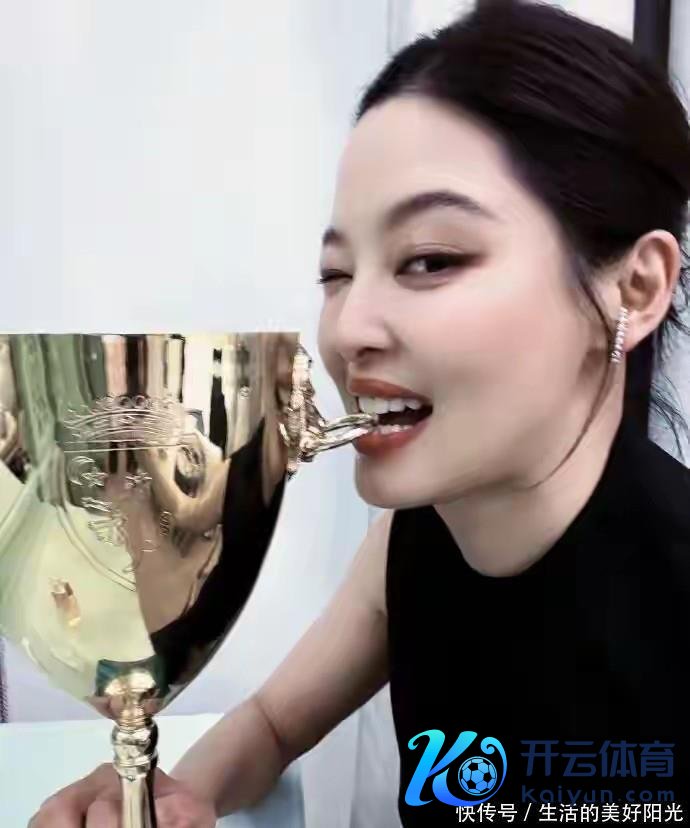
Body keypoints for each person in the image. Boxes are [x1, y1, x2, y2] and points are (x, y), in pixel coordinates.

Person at [28, 1, 690, 825]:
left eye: (431, 260)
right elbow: (271, 725)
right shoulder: (410, 544)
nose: (347, 332)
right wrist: (172, 798)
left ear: (636, 288)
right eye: (337, 275)